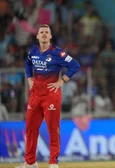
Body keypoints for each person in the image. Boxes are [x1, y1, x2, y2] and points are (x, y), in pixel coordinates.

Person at [16, 24, 80, 168]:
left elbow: (75, 65)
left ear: (50, 36)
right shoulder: (33, 52)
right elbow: (27, 64)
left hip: (51, 96)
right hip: (35, 95)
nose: (44, 34)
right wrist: (29, 78)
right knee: (30, 128)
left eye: (47, 32)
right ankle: (30, 163)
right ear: (37, 36)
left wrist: (62, 81)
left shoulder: (58, 53)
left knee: (53, 129)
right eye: (41, 32)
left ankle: (53, 163)